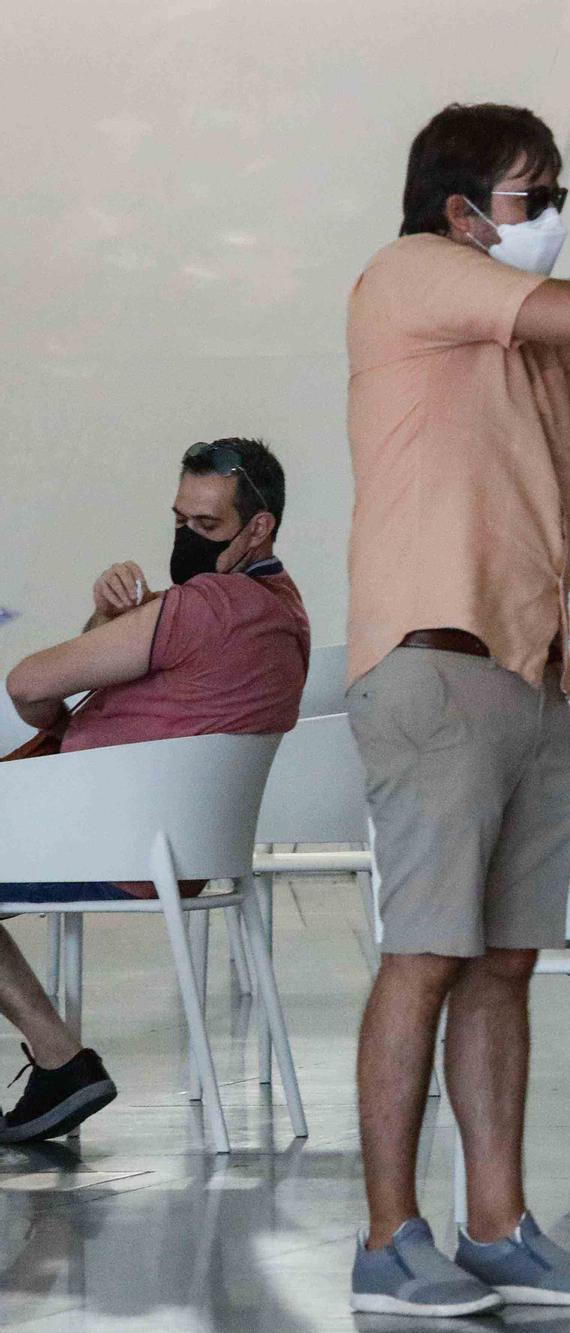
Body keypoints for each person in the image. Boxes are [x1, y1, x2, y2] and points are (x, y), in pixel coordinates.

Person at [344, 102, 570, 1318]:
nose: (554, 217)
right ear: (463, 208)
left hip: (532, 676)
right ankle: (385, 1240)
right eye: (534, 196)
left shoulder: (539, 341)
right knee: (424, 953)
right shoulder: (411, 272)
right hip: (432, 660)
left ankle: (497, 1226)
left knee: (503, 964)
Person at [1, 438, 307, 1143]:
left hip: (101, 844)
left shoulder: (209, 605)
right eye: (180, 522)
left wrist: (75, 676)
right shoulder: (282, 612)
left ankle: (61, 1057)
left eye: (206, 528)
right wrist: (108, 624)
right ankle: (60, 1064)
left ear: (258, 528)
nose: (185, 540)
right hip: (174, 852)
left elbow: (29, 683)